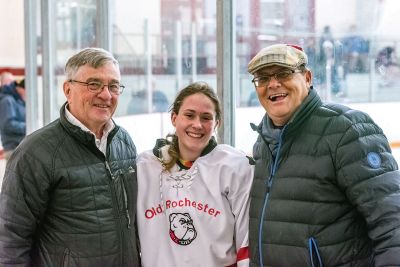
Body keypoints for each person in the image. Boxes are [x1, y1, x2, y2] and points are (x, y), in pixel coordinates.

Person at [247, 43, 400, 266]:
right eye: (262, 78)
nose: (272, 84)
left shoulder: (346, 130)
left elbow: (391, 220)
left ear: (307, 77)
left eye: (283, 73)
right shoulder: (263, 141)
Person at [0, 47, 141, 266]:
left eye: (113, 86)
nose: (105, 94)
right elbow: (10, 237)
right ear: (67, 89)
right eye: (93, 84)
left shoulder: (124, 142)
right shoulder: (37, 151)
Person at [136, 81, 254, 267]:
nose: (197, 124)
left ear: (217, 123)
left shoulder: (234, 166)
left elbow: (246, 241)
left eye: (206, 117)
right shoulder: (144, 167)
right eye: (189, 115)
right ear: (174, 118)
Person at [0, 78, 26, 160]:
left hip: (20, 146)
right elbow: (7, 124)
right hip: (13, 148)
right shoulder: (7, 101)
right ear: (22, 89)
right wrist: (28, 127)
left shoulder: (18, 101)